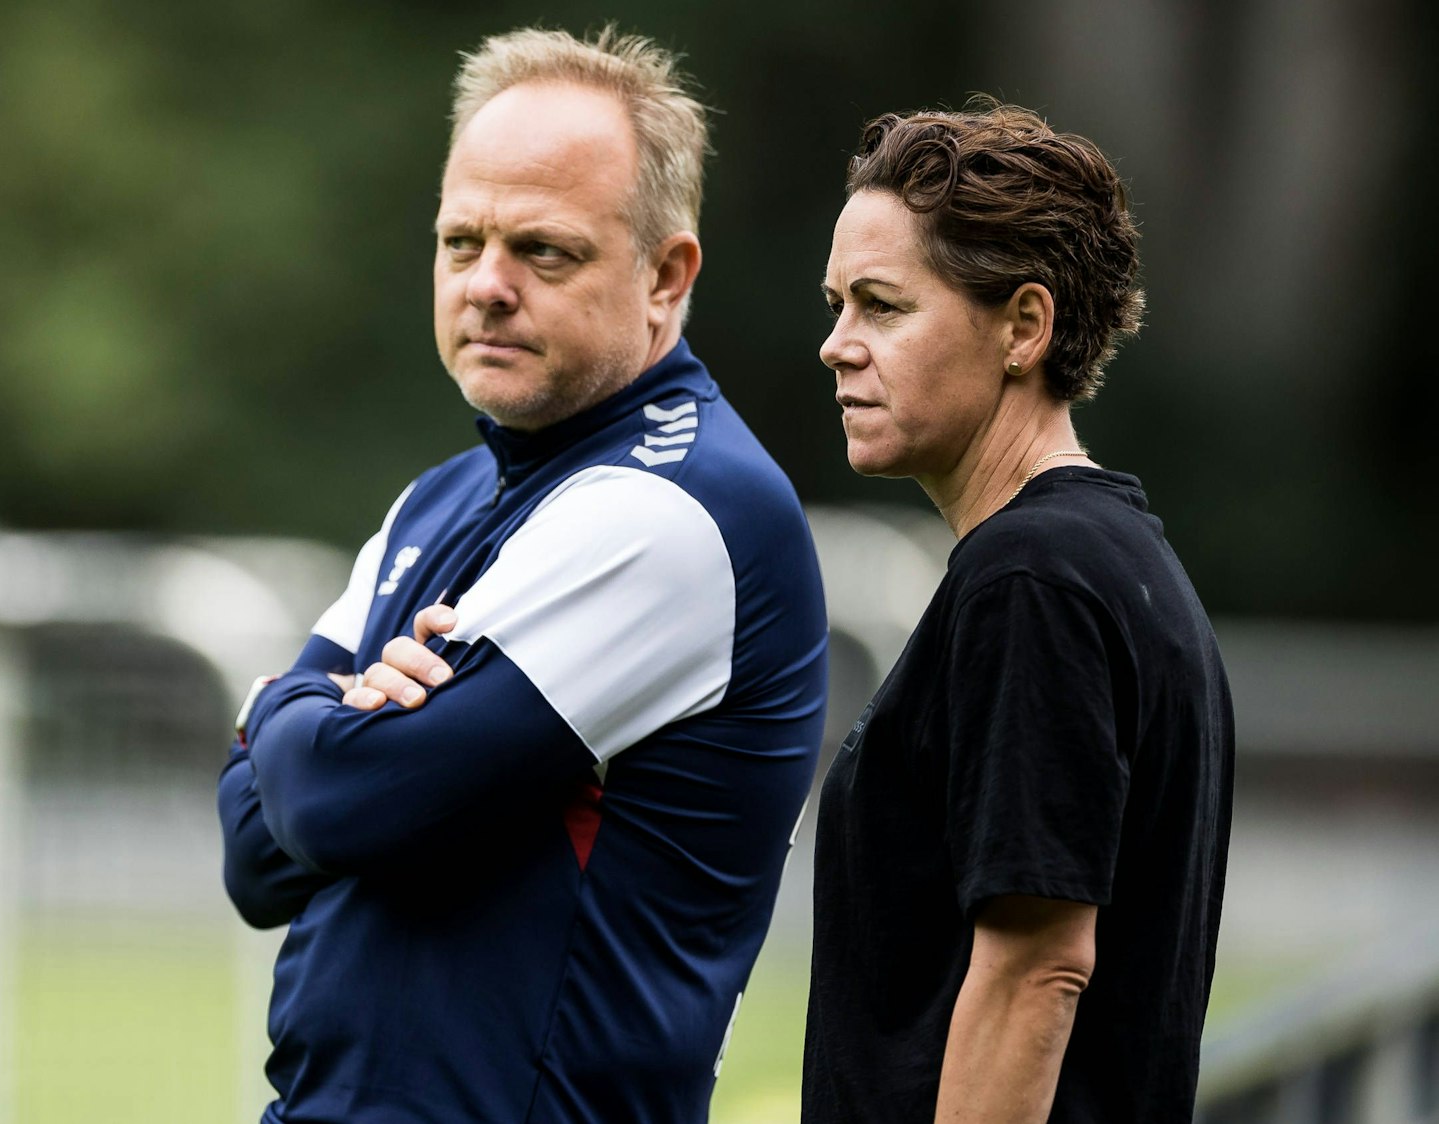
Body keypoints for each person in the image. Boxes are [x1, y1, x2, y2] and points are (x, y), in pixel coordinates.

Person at [216, 26, 829, 1124]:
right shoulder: (439, 497)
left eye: (543, 251)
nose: (487, 285)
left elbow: (337, 803)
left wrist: (278, 706)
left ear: (664, 275)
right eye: (462, 242)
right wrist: (324, 724)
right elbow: (255, 860)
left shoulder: (672, 506)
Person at [804, 99, 1234, 1122]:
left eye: (881, 306)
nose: (835, 345)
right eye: (835, 304)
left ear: (1023, 328)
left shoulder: (1032, 577)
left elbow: (1037, 967)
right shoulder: (1103, 557)